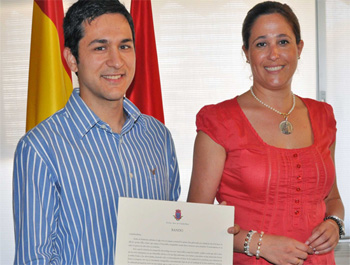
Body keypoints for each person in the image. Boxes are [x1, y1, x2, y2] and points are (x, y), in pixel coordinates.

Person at [13, 0, 180, 264]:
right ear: (71, 59)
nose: (116, 61)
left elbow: (171, 235)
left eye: (124, 46)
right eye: (100, 47)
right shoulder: (40, 148)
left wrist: (210, 231)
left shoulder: (158, 137)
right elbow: (35, 258)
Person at [187, 1, 345, 264]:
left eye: (283, 42)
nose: (274, 54)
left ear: (299, 47)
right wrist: (258, 244)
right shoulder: (219, 121)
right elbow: (195, 222)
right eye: (261, 44)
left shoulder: (323, 116)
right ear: (246, 53)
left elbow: (334, 198)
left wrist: (334, 223)